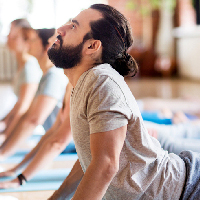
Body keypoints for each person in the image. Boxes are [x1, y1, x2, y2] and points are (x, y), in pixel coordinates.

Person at [45, 4, 200, 200]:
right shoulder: (84, 82)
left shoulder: (101, 81)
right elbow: (90, 157)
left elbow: (105, 164)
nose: (61, 29)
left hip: (190, 188)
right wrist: (57, 197)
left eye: (73, 26)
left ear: (92, 46)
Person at [0, 28, 68, 161]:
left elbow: (34, 120)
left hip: (64, 147)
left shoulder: (53, 76)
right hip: (52, 141)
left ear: (47, 46)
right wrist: (4, 145)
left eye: (34, 40)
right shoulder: (45, 75)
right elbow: (27, 115)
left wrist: (3, 154)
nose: (29, 43)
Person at [0, 83, 74, 189]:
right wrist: (15, 169)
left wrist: (20, 179)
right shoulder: (69, 84)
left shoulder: (79, 84)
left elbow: (57, 142)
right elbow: (52, 132)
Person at [0, 19, 42, 137]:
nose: (8, 37)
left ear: (26, 41)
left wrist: (6, 135)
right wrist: (4, 122)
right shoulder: (21, 65)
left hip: (28, 130)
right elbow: (18, 104)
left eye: (14, 36)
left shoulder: (29, 67)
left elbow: (23, 107)